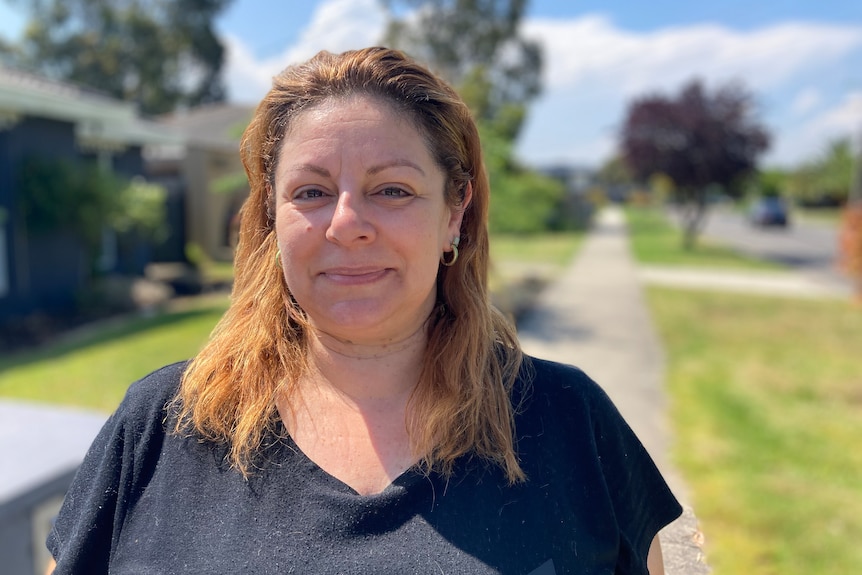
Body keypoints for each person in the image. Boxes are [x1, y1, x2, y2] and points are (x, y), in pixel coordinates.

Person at [46, 47, 681, 574]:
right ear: (272, 214)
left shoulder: (572, 425)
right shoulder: (161, 427)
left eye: (392, 190)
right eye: (312, 191)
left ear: (453, 211)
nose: (346, 224)